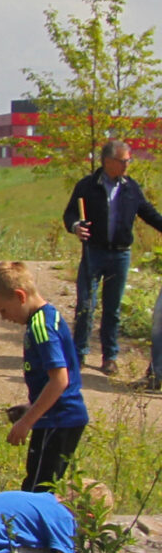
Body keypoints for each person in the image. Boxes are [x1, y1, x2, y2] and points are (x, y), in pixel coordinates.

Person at [0, 261, 87, 492]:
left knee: (38, 490)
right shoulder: (46, 317)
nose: (3, 318)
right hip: (56, 417)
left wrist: (26, 422)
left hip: (59, 420)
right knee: (39, 484)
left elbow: (60, 380)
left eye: (3, 310)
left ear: (20, 296)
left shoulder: (41, 327)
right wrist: (31, 406)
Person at [62, 139, 162, 376]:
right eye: (124, 161)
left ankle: (110, 357)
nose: (128, 165)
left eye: (129, 160)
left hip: (120, 254)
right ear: (108, 162)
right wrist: (76, 226)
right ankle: (79, 353)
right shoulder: (87, 186)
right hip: (93, 252)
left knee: (113, 308)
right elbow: (70, 214)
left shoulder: (130, 187)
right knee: (86, 304)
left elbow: (148, 212)